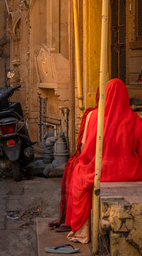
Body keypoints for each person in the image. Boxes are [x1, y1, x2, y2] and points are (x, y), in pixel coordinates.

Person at [65, 78, 142, 243]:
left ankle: (83, 231)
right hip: (129, 172)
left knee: (78, 171)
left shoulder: (93, 117)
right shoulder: (134, 119)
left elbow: (85, 150)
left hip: (97, 171)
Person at [48, 90, 99, 231]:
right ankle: (64, 217)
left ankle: (67, 218)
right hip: (113, 163)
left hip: (97, 162)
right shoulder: (131, 118)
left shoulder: (93, 115)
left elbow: (84, 146)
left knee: (73, 170)